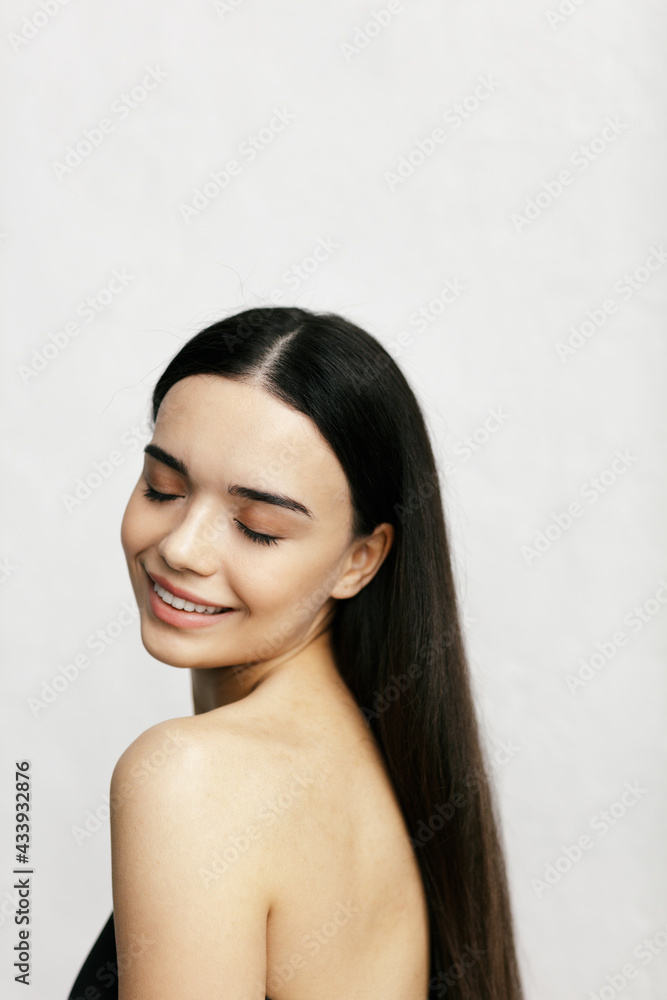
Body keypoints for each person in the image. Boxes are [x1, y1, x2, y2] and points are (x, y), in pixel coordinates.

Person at [68, 305, 524, 1000]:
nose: (181, 548)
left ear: (360, 559)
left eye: (258, 528)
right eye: (164, 488)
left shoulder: (191, 777)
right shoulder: (373, 764)